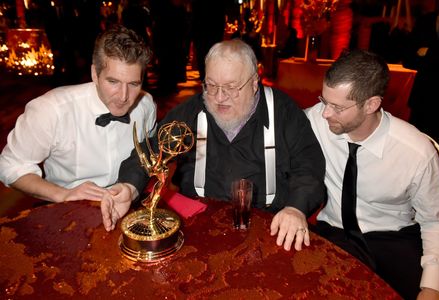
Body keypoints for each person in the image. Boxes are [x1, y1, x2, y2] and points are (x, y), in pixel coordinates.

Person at [101, 39, 326, 252]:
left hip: (267, 225)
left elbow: (309, 166)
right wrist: (129, 187)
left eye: (230, 87)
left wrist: (296, 208)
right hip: (198, 225)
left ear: (255, 83)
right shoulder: (192, 110)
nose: (219, 97)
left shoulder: (283, 112)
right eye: (211, 85)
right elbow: (150, 151)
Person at [305, 49, 439, 300]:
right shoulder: (316, 120)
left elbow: (437, 221)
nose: (325, 113)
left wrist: (433, 285)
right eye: (324, 101)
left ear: (372, 104)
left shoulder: (415, 152)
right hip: (333, 232)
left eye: (337, 107)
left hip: (393, 239)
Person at [0, 25, 157, 203]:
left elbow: (148, 152)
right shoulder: (51, 110)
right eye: (113, 81)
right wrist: (62, 194)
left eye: (134, 84)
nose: (123, 96)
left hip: (130, 201)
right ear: (94, 74)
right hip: (67, 207)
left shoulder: (146, 105)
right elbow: (9, 165)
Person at [403, 0, 439, 151]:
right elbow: (408, 59)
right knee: (411, 151)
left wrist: (428, 53)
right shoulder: (426, 20)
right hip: (421, 100)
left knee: (436, 155)